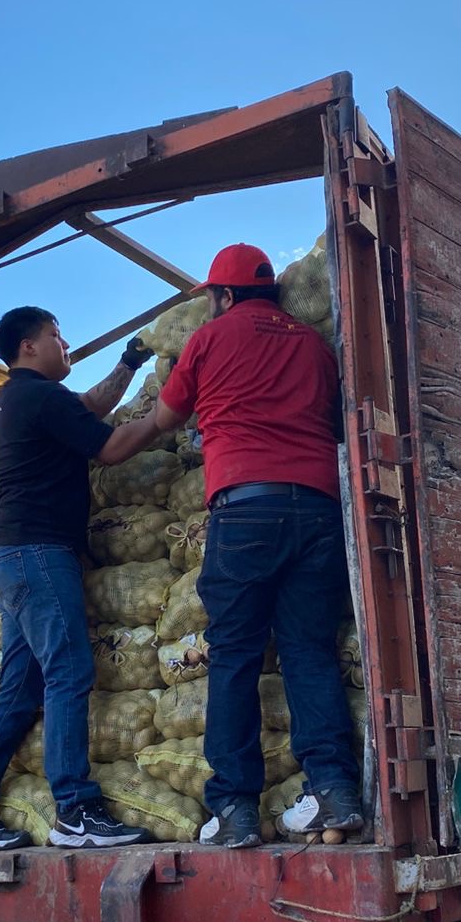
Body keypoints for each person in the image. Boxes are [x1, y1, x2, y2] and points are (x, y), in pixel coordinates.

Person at [149, 242, 362, 849]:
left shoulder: (209, 339)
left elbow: (164, 418)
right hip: (319, 509)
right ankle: (333, 790)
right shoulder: (314, 345)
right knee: (309, 651)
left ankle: (234, 809)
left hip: (246, 508)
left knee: (236, 655)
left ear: (223, 296)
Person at [0, 309, 164, 852]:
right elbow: (110, 447)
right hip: (39, 555)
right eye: (56, 336)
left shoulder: (26, 399)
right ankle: (75, 811)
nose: (65, 344)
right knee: (69, 671)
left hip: (11, 559)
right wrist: (167, 415)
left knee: (20, 689)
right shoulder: (39, 397)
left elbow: (88, 408)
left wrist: (130, 362)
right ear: (28, 346)